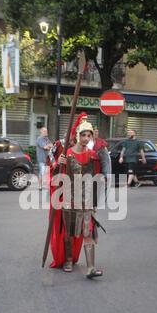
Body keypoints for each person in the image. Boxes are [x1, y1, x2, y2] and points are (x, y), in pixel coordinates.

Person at [50, 119, 103, 279]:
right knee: (70, 232)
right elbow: (55, 178)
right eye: (83, 135)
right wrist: (57, 164)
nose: (86, 138)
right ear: (77, 135)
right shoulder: (67, 154)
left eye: (89, 135)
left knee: (88, 232)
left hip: (86, 201)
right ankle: (68, 260)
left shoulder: (93, 155)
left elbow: (96, 179)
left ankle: (91, 268)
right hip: (69, 199)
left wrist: (94, 202)